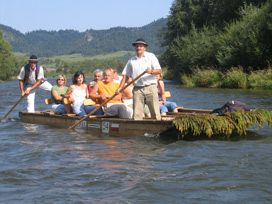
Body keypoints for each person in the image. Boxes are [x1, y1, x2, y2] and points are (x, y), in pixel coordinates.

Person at [117, 38, 161, 120]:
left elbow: (159, 71)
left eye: (141, 46)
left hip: (150, 87)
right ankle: (138, 130)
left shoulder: (151, 56)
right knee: (137, 114)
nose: (138, 48)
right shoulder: (131, 60)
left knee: (155, 111)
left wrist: (151, 71)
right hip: (137, 89)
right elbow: (125, 76)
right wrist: (120, 88)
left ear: (144, 47)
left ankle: (157, 129)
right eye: (137, 46)